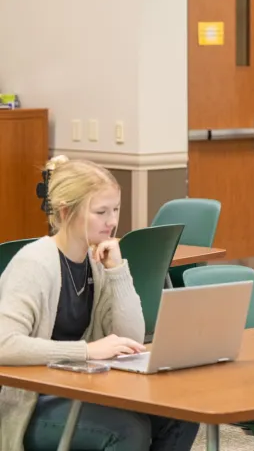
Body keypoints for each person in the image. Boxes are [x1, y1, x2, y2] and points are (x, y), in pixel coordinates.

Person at [0, 156, 200, 451]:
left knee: (180, 413)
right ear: (67, 212)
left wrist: (117, 271)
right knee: (126, 430)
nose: (112, 221)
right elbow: (4, 344)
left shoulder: (97, 261)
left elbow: (131, 337)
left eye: (116, 209)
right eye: (100, 212)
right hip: (30, 402)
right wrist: (86, 351)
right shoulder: (35, 263)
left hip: (79, 389)